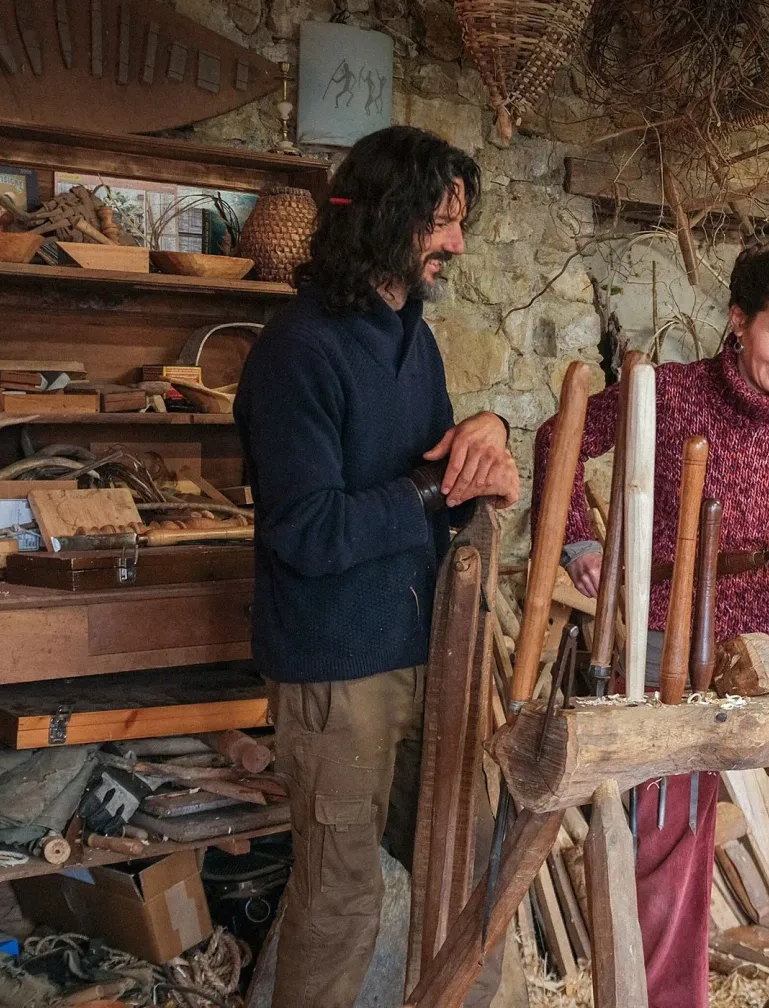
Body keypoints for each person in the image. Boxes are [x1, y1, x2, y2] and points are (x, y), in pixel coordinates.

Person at [533, 248, 769, 1008]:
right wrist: (580, 541)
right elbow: (559, 437)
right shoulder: (667, 394)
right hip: (670, 642)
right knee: (670, 832)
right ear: (738, 321)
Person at [235, 125, 521, 1008]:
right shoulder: (298, 351)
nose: (457, 244)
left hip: (425, 651)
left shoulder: (412, 340)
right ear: (390, 218)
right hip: (337, 669)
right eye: (442, 221)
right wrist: (435, 493)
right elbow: (307, 531)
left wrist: (487, 449)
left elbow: (438, 479)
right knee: (342, 901)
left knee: (468, 872)